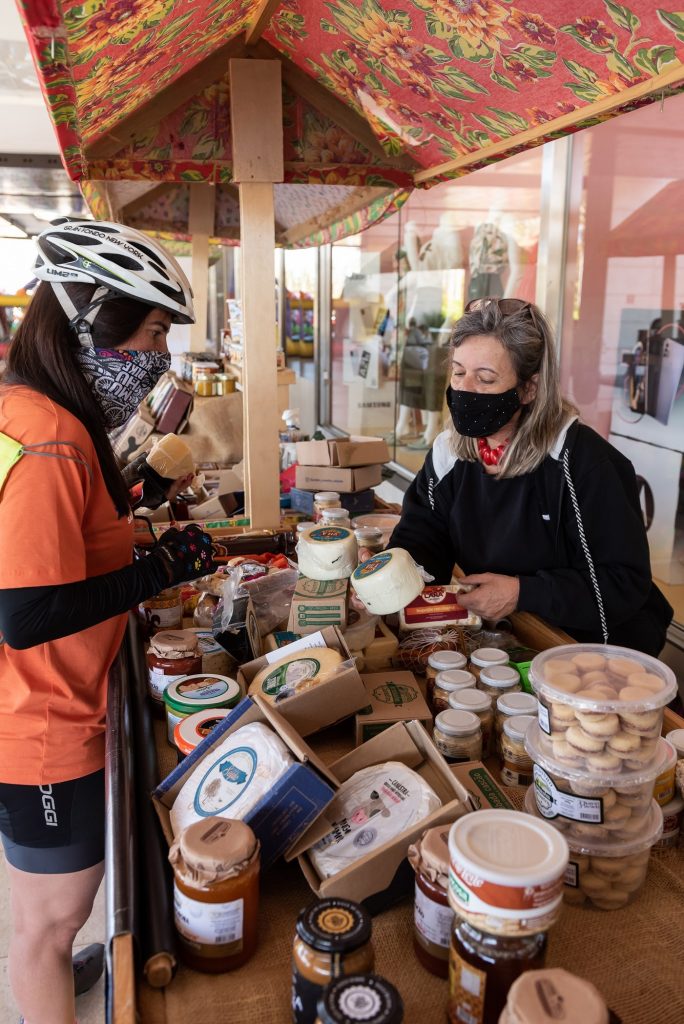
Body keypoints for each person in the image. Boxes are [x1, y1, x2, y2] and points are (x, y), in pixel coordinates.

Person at [0, 220, 216, 1024]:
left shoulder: (25, 406)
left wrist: (142, 529)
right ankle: (50, 973)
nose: (160, 354)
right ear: (92, 318)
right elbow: (27, 613)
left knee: (60, 907)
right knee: (47, 922)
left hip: (32, 702)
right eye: (155, 330)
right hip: (42, 722)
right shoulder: (51, 436)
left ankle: (63, 955)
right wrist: (155, 571)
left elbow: (57, 544)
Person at [389, 298, 673, 655]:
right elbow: (424, 533)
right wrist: (392, 573)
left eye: (486, 378)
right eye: (459, 372)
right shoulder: (451, 451)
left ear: (529, 388)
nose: (465, 389)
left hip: (593, 647)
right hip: (514, 636)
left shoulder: (582, 462)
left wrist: (522, 592)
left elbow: (622, 584)